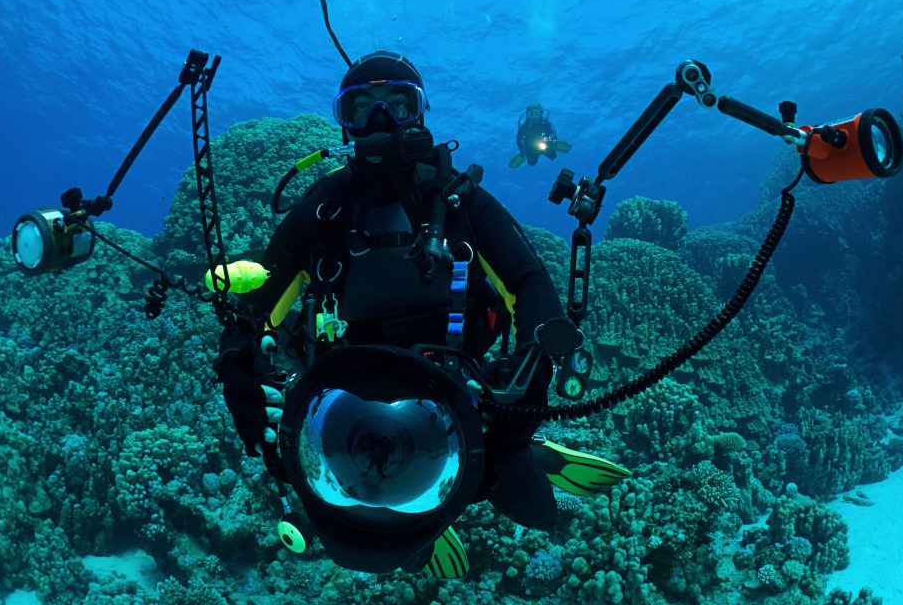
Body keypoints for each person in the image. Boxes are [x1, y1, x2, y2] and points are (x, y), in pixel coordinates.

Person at [214, 51, 626, 577]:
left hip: (459, 384)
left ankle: (527, 454)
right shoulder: (323, 209)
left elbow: (529, 284)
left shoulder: (461, 202)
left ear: (420, 112)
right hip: (353, 389)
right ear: (343, 121)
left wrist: (531, 369)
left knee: (533, 508)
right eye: (361, 107)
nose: (380, 121)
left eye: (398, 104)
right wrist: (236, 362)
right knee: (362, 520)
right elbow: (255, 305)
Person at [509, 103, 572, 168]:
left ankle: (553, 145)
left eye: (536, 114)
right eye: (531, 114)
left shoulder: (545, 123)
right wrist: (521, 150)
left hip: (545, 143)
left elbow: (553, 134)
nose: (534, 117)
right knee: (531, 163)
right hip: (530, 147)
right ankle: (526, 153)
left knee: (553, 156)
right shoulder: (524, 126)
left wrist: (549, 139)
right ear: (527, 115)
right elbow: (518, 140)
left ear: (540, 114)